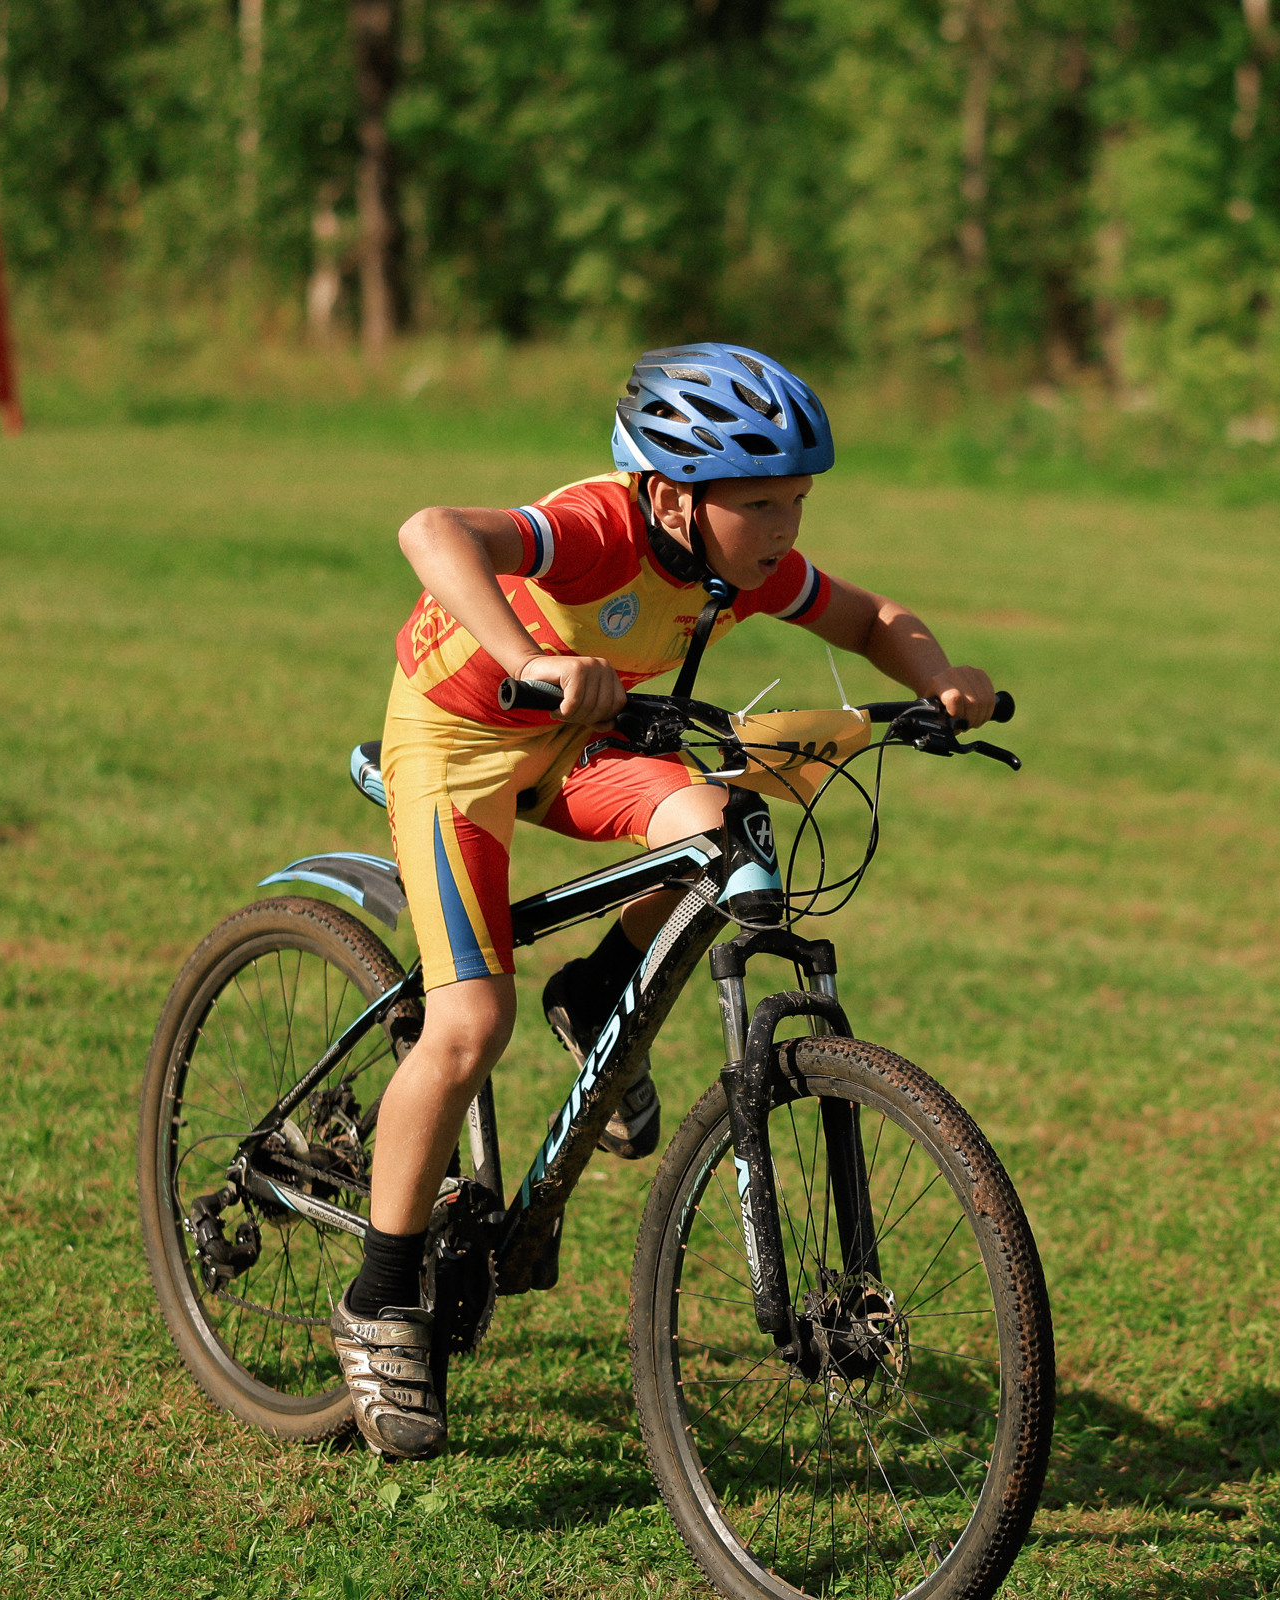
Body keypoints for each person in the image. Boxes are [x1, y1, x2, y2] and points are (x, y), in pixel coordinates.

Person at [330, 344, 997, 1459]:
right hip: (457, 745)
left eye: (798, 497)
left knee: (722, 819)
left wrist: (940, 677)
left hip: (583, 741)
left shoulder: (740, 567)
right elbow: (429, 530)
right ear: (676, 496)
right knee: (469, 1023)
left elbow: (872, 616)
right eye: (761, 501)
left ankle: (599, 995)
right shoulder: (600, 528)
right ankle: (380, 1296)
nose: (786, 523)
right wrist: (529, 654)